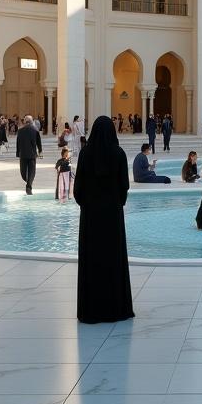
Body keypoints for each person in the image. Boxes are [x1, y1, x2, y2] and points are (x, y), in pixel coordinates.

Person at [73, 116, 134, 323]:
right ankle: (115, 308)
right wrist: (116, 204)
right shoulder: (118, 153)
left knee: (92, 261)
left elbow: (78, 189)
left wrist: (88, 205)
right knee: (113, 260)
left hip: (90, 217)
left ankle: (91, 310)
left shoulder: (85, 154)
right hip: (112, 218)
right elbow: (124, 186)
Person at [16, 114, 42, 194]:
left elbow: (18, 143)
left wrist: (18, 153)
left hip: (23, 154)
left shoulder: (20, 131)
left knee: (23, 172)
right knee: (32, 171)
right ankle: (29, 184)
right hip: (32, 154)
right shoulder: (35, 130)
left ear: (25, 122)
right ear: (31, 122)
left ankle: (28, 186)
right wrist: (40, 151)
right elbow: (39, 143)